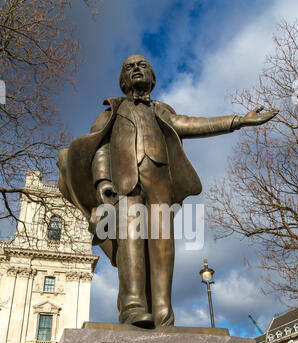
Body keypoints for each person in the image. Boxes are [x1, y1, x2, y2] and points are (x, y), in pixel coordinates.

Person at [57, 54, 278, 328]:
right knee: (131, 244)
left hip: (160, 184)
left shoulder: (162, 111)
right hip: (126, 185)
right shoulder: (111, 112)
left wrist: (239, 121)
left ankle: (163, 311)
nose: (136, 69)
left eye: (142, 65)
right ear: (123, 80)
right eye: (129, 67)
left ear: (152, 77)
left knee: (163, 247)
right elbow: (99, 148)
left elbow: (194, 124)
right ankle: (133, 306)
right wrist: (102, 182)